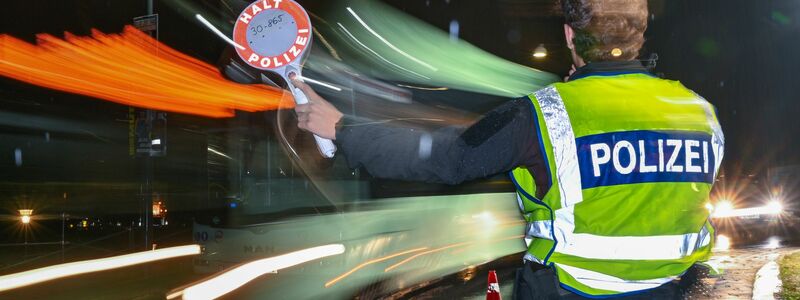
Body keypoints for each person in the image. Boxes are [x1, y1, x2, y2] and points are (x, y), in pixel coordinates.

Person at [292, 0, 724, 298]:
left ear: (570, 36)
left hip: (569, 292)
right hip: (671, 291)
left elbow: (446, 159)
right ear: (640, 35)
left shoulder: (547, 113)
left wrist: (343, 128)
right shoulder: (700, 112)